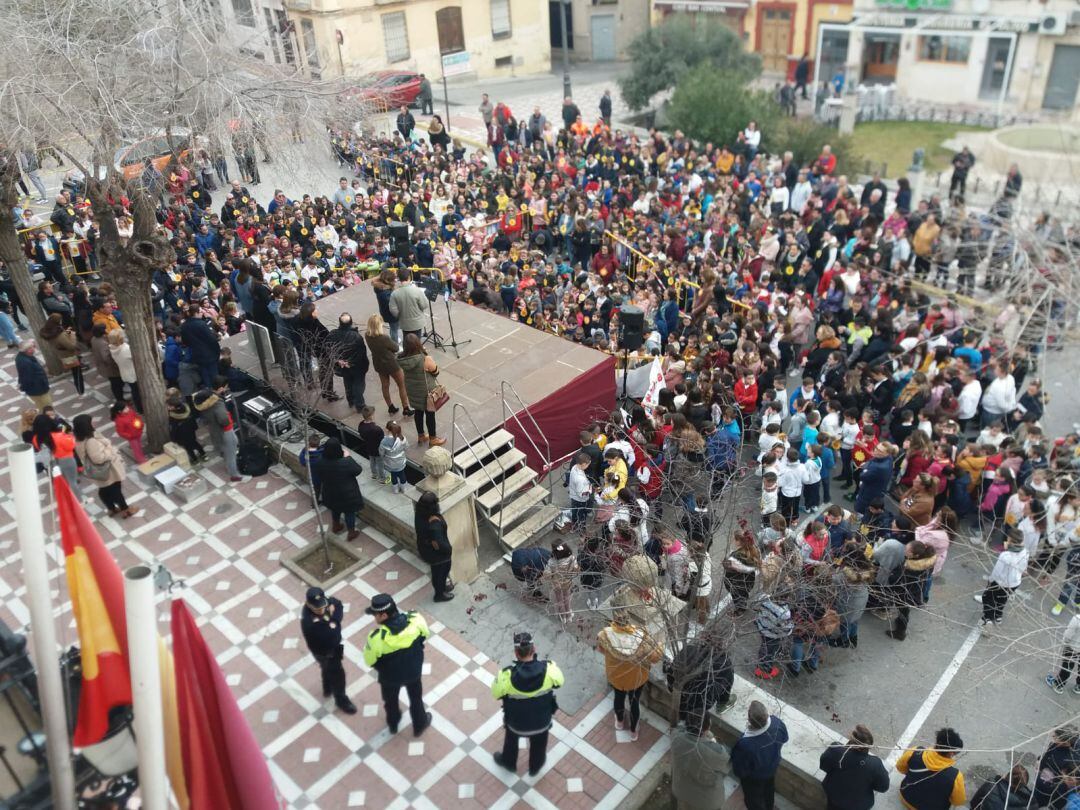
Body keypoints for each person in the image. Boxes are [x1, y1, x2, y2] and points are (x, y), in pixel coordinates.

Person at [491, 631, 564, 777]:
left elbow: (495, 693)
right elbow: (560, 681)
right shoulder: (549, 669)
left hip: (516, 724)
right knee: (539, 745)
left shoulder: (506, 676)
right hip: (542, 722)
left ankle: (509, 763)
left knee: (511, 741)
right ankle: (535, 767)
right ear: (534, 649)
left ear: (516, 653)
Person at [362, 593, 432, 736]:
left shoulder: (376, 638)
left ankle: (393, 723)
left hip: (390, 677)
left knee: (390, 701)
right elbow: (425, 635)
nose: (374, 617)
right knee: (416, 698)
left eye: (375, 614)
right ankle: (420, 724)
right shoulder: (416, 619)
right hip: (414, 672)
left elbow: (369, 661)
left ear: (383, 616)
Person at [597, 610, 662, 741]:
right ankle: (633, 732)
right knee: (634, 703)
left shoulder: (604, 635)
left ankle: (620, 722)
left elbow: (601, 650)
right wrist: (660, 646)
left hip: (616, 676)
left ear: (614, 621)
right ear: (629, 620)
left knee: (618, 698)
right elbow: (654, 658)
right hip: (636, 678)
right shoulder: (642, 636)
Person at [299, 586, 357, 714]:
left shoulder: (321, 604)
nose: (321, 610)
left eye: (323, 606)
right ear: (309, 604)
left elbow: (336, 602)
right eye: (317, 608)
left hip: (326, 650)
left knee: (326, 669)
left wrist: (331, 608)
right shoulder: (310, 623)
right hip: (327, 652)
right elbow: (334, 629)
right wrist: (334, 616)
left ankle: (327, 687)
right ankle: (341, 700)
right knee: (338, 676)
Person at [72, 413, 135, 518]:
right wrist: (110, 451)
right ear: (86, 425)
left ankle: (112, 509)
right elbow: (98, 458)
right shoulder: (90, 441)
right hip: (107, 469)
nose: (94, 422)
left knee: (105, 489)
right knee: (115, 489)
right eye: (91, 422)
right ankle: (126, 510)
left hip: (98, 472)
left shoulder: (80, 439)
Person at [730, 700, 789, 810]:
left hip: (754, 779)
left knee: (753, 800)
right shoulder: (777, 724)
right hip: (772, 769)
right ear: (766, 715)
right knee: (769, 792)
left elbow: (739, 769)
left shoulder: (746, 745)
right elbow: (785, 738)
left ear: (750, 720)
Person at [819, 725, 890, 810]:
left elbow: (823, 766)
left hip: (834, 797)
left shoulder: (836, 750)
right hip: (859, 805)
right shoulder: (875, 764)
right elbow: (883, 787)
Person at [896, 727, 967, 810]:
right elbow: (958, 801)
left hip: (905, 797)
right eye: (956, 753)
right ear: (951, 753)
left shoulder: (915, 752)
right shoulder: (956, 777)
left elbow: (900, 768)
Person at [398, 333, 444, 446]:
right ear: (418, 344)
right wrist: (425, 354)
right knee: (430, 415)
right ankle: (433, 439)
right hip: (426, 392)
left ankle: (421, 436)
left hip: (412, 390)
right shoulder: (425, 359)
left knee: (418, 412)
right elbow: (436, 372)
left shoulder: (402, 358)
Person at [314, 439, 364, 541]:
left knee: (335, 509)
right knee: (349, 512)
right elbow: (358, 470)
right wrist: (348, 457)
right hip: (347, 494)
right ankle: (351, 532)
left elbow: (318, 473)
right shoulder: (345, 462)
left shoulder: (320, 461)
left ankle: (336, 525)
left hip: (330, 491)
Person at [193, 380, 241, 481]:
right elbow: (223, 418)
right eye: (226, 387)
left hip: (215, 430)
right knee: (231, 453)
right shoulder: (217, 403)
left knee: (227, 448)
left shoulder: (204, 403)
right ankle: (235, 475)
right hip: (226, 431)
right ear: (220, 388)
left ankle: (228, 464)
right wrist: (228, 423)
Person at [980, 526, 1028, 626]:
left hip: (1001, 583)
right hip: (1015, 583)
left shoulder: (1005, 555)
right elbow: (1023, 568)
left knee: (988, 597)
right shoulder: (1025, 552)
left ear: (1010, 540)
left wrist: (990, 581)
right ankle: (998, 616)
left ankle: (987, 618)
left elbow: (996, 572)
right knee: (1002, 599)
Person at [414, 491, 455, 602]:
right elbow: (438, 544)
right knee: (440, 574)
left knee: (436, 572)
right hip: (437, 555)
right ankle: (439, 594)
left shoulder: (420, 514)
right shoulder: (434, 525)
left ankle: (441, 589)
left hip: (425, 550)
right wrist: (448, 550)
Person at [365, 314, 410, 415]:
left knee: (385, 386)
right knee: (401, 385)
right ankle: (406, 408)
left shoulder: (367, 335)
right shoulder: (384, 338)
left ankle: (390, 407)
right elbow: (396, 348)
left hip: (379, 364)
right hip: (391, 364)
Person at [327, 312, 369, 412]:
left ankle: (351, 400)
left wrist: (339, 361)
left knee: (348, 382)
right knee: (358, 385)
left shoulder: (333, 334)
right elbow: (361, 353)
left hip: (343, 366)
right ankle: (360, 405)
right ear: (350, 322)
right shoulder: (356, 337)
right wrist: (349, 362)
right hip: (357, 366)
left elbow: (328, 348)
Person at [30, 412, 79, 496]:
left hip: (52, 463)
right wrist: (70, 436)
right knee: (72, 481)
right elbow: (71, 446)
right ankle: (77, 501)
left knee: (61, 482)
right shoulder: (59, 435)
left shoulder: (35, 439)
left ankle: (65, 497)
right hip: (67, 460)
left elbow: (39, 449)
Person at [39, 313, 83, 394]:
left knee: (75, 371)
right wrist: (73, 336)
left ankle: (80, 390)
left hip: (62, 354)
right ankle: (81, 391)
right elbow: (71, 346)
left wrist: (67, 332)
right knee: (77, 373)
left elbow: (60, 341)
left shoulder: (48, 331)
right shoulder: (59, 334)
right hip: (70, 355)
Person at [388, 268, 429, 339]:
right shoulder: (417, 290)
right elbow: (425, 305)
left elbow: (393, 310)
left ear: (399, 278)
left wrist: (400, 315)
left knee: (407, 341)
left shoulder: (394, 293)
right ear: (409, 277)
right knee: (416, 342)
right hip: (417, 322)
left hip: (404, 323)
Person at [107, 329, 142, 412]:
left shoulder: (112, 349)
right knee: (136, 392)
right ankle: (140, 409)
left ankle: (139, 407)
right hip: (133, 374)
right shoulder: (126, 349)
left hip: (124, 373)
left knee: (134, 391)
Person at [1046, 614, 1080, 694]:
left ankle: (1058, 685)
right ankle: (1079, 686)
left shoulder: (1077, 619)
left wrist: (1065, 641)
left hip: (1073, 647)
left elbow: (1068, 634)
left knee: (1067, 667)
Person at [15, 340, 51, 408]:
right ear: (28, 350)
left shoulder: (23, 357)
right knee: (47, 407)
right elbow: (27, 378)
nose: (34, 348)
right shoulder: (25, 362)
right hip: (38, 389)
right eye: (33, 347)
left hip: (37, 388)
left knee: (42, 407)